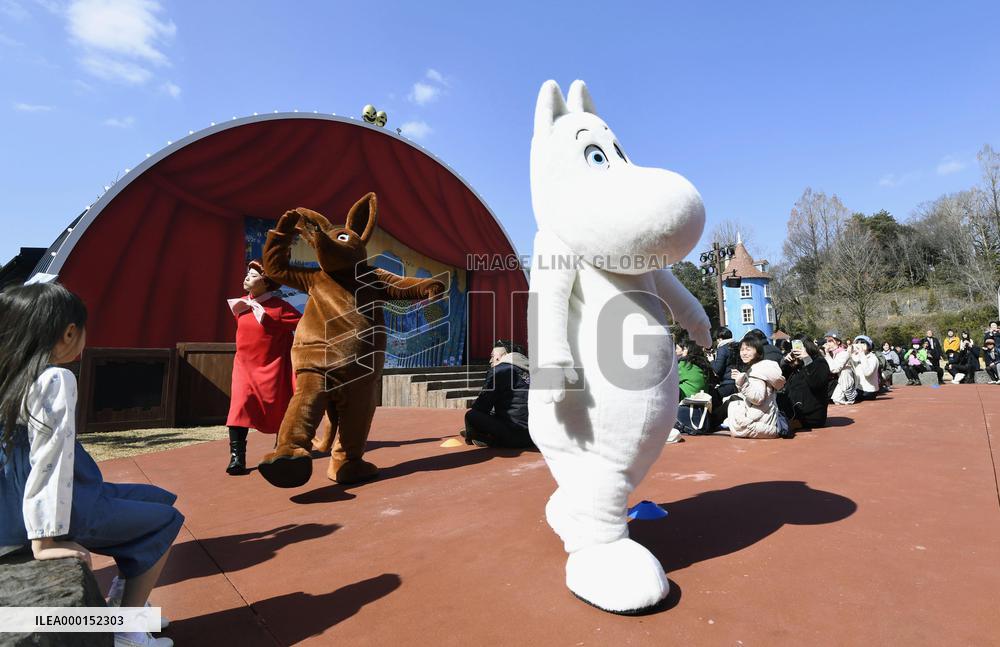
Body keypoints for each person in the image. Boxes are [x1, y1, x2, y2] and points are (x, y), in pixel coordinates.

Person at [0, 282, 181, 647]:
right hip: (66, 507)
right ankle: (128, 627)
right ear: (69, 332)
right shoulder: (55, 379)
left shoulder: (10, 378)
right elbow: (49, 461)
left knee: (157, 499)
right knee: (167, 521)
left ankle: (126, 604)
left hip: (17, 503)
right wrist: (44, 541)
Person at [225, 260, 302, 475]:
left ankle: (282, 450)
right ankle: (236, 459)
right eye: (247, 273)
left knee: (279, 407)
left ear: (266, 283)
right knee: (239, 407)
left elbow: (306, 324)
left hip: (271, 368)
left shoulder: (280, 308)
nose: (247, 276)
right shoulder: (239, 304)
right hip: (243, 367)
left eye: (254, 274)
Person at [463, 340, 531, 448]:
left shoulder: (499, 371)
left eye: (492, 356)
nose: (490, 360)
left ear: (501, 357)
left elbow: (481, 406)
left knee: (471, 415)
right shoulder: (533, 370)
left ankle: (477, 438)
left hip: (515, 436)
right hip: (536, 436)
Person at [723, 336, 786, 438]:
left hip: (756, 423)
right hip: (766, 419)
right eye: (742, 349)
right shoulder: (763, 368)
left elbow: (758, 398)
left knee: (732, 404)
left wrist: (741, 381)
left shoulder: (756, 372)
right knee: (732, 400)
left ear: (758, 352)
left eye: (748, 349)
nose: (744, 353)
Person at [777, 334, 830, 430]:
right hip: (793, 412)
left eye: (799, 346)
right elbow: (778, 381)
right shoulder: (797, 363)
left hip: (810, 417)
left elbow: (816, 383)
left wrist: (807, 359)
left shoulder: (819, 362)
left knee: (778, 428)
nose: (796, 350)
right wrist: (786, 363)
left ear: (807, 346)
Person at [823, 331, 856, 404]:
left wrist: (827, 354)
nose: (828, 344)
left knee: (845, 371)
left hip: (845, 380)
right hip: (835, 381)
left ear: (838, 342)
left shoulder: (844, 353)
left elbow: (835, 369)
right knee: (836, 400)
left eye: (831, 341)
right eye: (827, 341)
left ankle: (851, 393)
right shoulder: (830, 353)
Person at [850, 335, 879, 401]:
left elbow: (867, 373)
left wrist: (861, 353)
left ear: (868, 346)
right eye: (857, 342)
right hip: (858, 389)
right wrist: (849, 352)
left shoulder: (873, 358)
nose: (859, 345)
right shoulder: (856, 357)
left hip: (868, 391)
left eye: (862, 342)